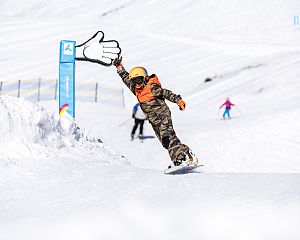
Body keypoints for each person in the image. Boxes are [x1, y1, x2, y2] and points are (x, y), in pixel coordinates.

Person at [112, 57, 194, 166]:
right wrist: (119, 67)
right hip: (154, 121)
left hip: (163, 116)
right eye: (134, 81)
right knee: (167, 142)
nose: (137, 84)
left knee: (167, 137)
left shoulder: (152, 87)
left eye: (139, 80)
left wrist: (178, 100)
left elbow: (166, 93)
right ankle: (187, 152)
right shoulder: (136, 90)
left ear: (145, 78)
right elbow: (126, 78)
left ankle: (179, 160)